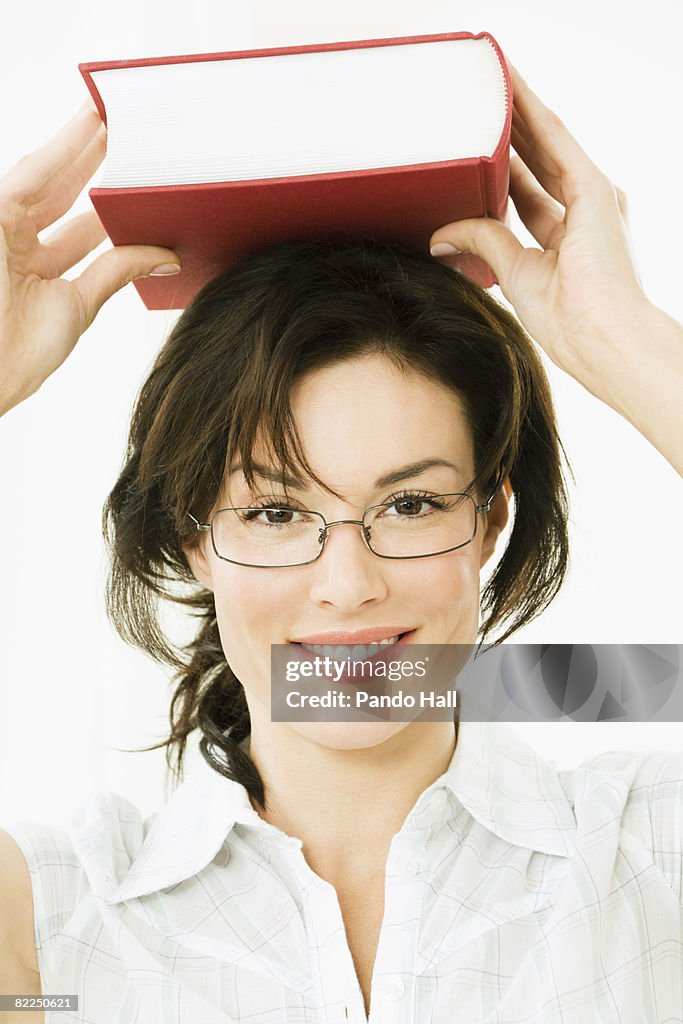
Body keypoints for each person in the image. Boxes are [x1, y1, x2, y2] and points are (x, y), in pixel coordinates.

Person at [0, 65, 681, 1024]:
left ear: (486, 520)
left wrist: (622, 337)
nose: (347, 586)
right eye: (275, 514)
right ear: (194, 543)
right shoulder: (52, 920)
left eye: (408, 507)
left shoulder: (652, 851)